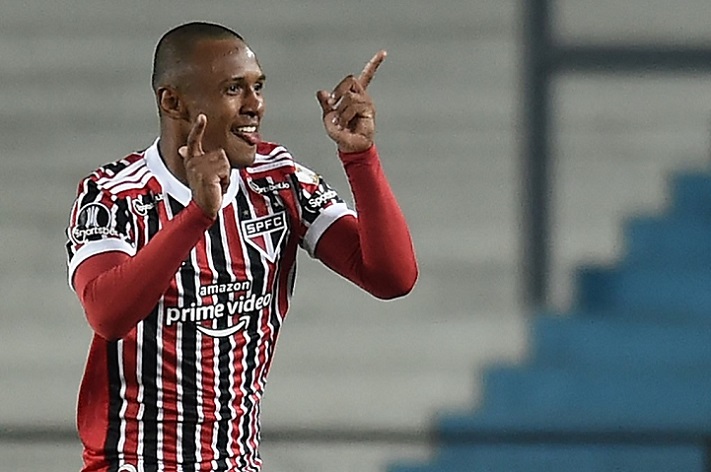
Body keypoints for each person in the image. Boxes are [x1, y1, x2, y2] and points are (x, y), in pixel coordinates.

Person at [65, 21, 417, 472]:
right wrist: (197, 216)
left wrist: (360, 156)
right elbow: (107, 314)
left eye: (258, 87)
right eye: (234, 89)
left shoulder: (278, 181)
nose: (256, 106)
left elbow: (392, 277)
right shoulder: (114, 194)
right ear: (173, 102)